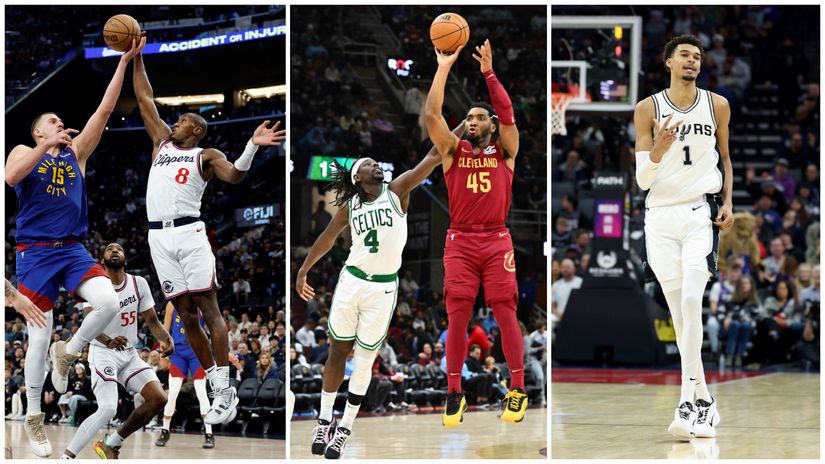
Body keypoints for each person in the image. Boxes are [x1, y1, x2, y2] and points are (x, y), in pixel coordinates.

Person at [132, 41, 285, 425]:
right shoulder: (162, 142)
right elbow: (144, 97)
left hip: (188, 232)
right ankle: (218, 386)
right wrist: (135, 57)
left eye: (182, 119)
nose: (175, 122)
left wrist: (251, 146)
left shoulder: (206, 155)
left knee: (209, 309)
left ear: (196, 128)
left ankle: (225, 386)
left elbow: (235, 175)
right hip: (158, 238)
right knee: (185, 315)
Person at [4, 38, 145, 457]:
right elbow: (10, 177)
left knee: (109, 302)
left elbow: (103, 110)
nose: (61, 124)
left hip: (72, 249)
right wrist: (46, 147)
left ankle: (69, 352)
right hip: (35, 252)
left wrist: (123, 63)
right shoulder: (25, 150)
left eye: (61, 122)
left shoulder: (76, 153)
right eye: (53, 121)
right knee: (36, 336)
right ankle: (33, 415)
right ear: (38, 130)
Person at [295, 122, 464, 459]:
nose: (378, 165)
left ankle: (344, 429)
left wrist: (464, 124)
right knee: (337, 352)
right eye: (370, 163)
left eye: (377, 162)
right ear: (358, 177)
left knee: (365, 360)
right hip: (352, 280)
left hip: (384, 289)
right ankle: (323, 420)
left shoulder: (398, 190)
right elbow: (327, 239)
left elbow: (433, 154)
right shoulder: (350, 207)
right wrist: (303, 270)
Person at [633, 35, 734, 439]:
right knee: (679, 314)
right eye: (685, 56)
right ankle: (705, 400)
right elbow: (643, 178)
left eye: (698, 57)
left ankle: (686, 402)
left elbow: (725, 158)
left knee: (693, 298)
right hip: (659, 217)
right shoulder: (648, 108)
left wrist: (727, 200)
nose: (693, 61)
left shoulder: (717, 104)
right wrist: (657, 148)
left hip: (698, 212)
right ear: (668, 62)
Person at [424, 38, 527, 427]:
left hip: (497, 238)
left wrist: (488, 71)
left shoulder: (507, 151)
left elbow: (508, 112)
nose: (472, 122)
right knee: (457, 319)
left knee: (505, 313)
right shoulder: (453, 152)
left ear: (491, 125)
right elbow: (432, 114)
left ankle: (516, 389)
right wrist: (443, 66)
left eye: (479, 118)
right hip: (461, 241)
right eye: (468, 118)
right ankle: (454, 393)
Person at [60, 242, 173, 459]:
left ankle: (111, 443)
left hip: (129, 353)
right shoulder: (94, 286)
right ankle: (66, 457)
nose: (115, 251)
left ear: (125, 259)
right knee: (108, 408)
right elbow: (89, 325)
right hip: (103, 352)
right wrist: (109, 341)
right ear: (102, 260)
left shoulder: (138, 283)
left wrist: (165, 339)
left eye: (119, 249)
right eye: (109, 249)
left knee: (159, 398)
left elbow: (151, 320)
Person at [155, 302, 214, 449]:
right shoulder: (171, 304)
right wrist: (162, 345)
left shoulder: (201, 300)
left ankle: (209, 433)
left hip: (197, 350)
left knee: (201, 392)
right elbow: (165, 331)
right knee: (172, 392)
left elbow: (213, 327)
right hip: (178, 351)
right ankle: (165, 430)